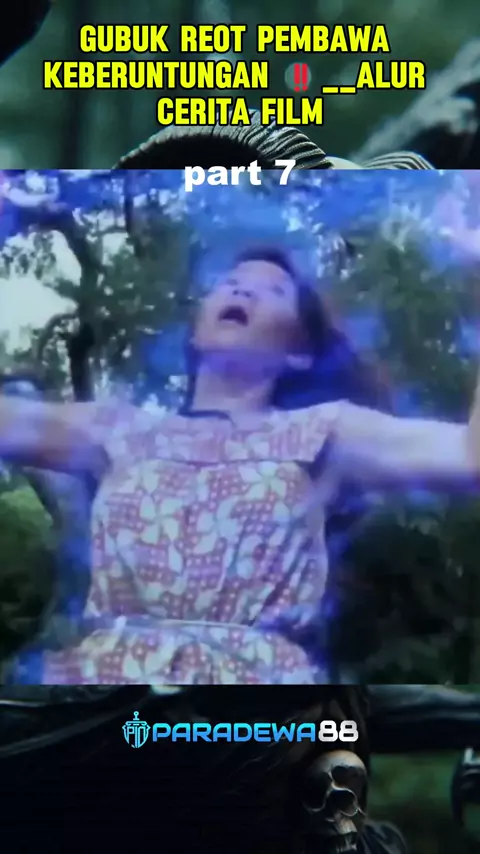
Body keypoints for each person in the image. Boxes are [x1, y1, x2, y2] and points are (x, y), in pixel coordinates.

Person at [1, 245, 480, 685]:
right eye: (230, 282)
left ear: (298, 353)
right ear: (196, 333)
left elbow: (470, 457)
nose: (243, 290)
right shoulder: (115, 429)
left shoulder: (328, 433)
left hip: (256, 710)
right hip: (106, 702)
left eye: (274, 291)